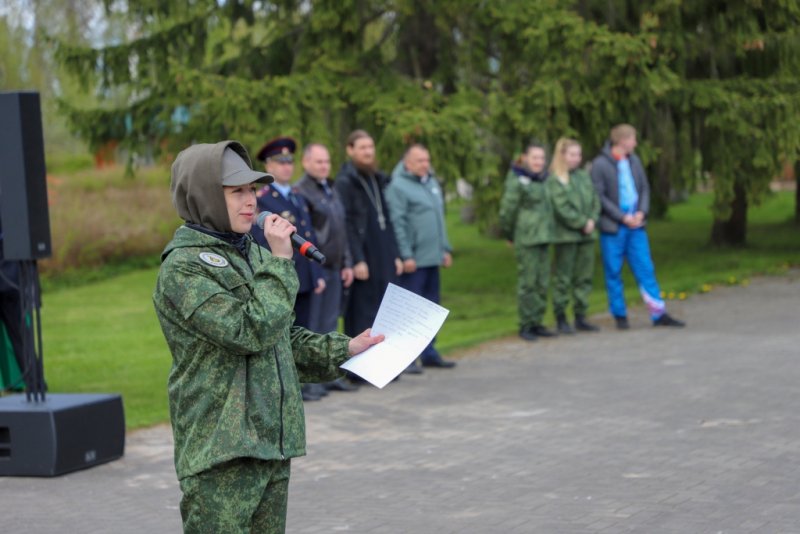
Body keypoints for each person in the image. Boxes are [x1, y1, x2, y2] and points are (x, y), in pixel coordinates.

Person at [152, 140, 383, 534]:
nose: (251, 201)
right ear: (205, 196)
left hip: (270, 444)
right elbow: (249, 331)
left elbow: (282, 338)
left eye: (253, 190)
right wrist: (279, 261)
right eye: (236, 191)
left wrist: (346, 348)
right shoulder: (184, 268)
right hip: (221, 453)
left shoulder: (251, 252)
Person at [253, 136, 328, 401]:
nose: (286, 167)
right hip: (282, 274)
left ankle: (301, 383)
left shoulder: (297, 195)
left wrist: (317, 273)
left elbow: (307, 236)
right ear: (268, 165)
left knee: (304, 330)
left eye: (289, 162)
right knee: (283, 332)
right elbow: (263, 242)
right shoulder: (262, 200)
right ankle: (285, 386)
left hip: (304, 275)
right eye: (279, 162)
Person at [590, 124, 685, 329]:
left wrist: (641, 211)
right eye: (632, 139)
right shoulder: (600, 164)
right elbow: (600, 197)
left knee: (645, 267)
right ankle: (620, 315)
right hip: (613, 228)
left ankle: (658, 313)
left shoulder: (634, 161)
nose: (635, 143)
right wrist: (622, 217)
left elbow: (644, 189)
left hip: (636, 226)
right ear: (622, 141)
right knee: (613, 271)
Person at [385, 144, 456, 371]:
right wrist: (405, 254)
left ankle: (429, 352)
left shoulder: (431, 183)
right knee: (410, 310)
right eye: (419, 161)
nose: (425, 164)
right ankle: (407, 358)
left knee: (430, 308)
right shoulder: (399, 186)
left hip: (432, 257)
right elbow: (398, 223)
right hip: (413, 260)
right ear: (407, 163)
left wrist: (444, 249)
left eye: (427, 160)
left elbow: (439, 219)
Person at [295, 143, 358, 392]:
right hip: (316, 269)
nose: (324, 166)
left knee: (331, 324)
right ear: (306, 162)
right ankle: (312, 384)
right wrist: (315, 270)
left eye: (327, 162)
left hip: (335, 266)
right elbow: (306, 235)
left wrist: (347, 262)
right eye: (319, 162)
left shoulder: (331, 188)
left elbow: (342, 230)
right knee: (314, 326)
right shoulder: (302, 192)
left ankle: (331, 376)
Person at [334, 130, 403, 343]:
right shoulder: (345, 181)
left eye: (370, 147)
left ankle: (381, 366)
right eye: (362, 148)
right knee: (362, 311)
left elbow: (387, 219)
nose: (368, 152)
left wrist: (396, 254)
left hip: (383, 253)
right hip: (363, 255)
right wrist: (357, 259)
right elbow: (345, 223)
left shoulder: (376, 178)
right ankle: (357, 371)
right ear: (350, 150)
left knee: (384, 310)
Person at [498, 143, 556, 341]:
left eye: (541, 158)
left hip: (543, 237)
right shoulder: (517, 180)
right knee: (528, 283)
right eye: (535, 158)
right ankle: (526, 324)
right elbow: (507, 210)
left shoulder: (543, 180)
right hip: (527, 238)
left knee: (541, 282)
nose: (539, 162)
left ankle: (537, 321)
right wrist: (509, 234)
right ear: (525, 158)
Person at [546, 138, 601, 334]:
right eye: (572, 155)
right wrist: (581, 223)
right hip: (566, 236)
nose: (577, 159)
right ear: (562, 156)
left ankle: (581, 315)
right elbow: (561, 207)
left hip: (587, 235)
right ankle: (561, 316)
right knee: (563, 278)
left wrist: (592, 220)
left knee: (584, 276)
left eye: (578, 154)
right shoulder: (555, 179)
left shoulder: (583, 176)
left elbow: (595, 199)